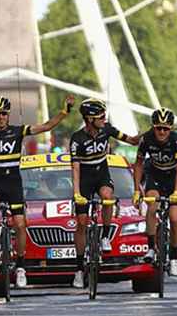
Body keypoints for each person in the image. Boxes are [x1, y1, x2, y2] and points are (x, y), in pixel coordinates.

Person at [0, 94, 75, 288]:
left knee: (20, 225)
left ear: (8, 115)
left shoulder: (18, 131)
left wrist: (65, 111)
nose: (1, 117)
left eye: (4, 114)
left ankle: (21, 267)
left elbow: (46, 126)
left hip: (14, 183)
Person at [69, 98, 141, 288]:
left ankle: (105, 236)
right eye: (100, 117)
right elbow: (75, 168)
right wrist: (76, 193)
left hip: (101, 175)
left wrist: (147, 134)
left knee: (108, 198)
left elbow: (132, 140)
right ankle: (78, 269)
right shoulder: (77, 139)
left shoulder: (107, 129)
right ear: (89, 119)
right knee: (82, 223)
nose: (104, 119)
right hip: (84, 179)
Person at [133, 108, 177, 277]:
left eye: (166, 128)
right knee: (151, 206)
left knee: (175, 217)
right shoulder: (146, 139)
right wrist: (136, 189)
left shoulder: (176, 140)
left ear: (171, 128)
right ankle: (150, 248)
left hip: (173, 177)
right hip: (155, 175)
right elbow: (139, 164)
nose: (162, 132)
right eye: (158, 128)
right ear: (153, 127)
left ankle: (174, 256)